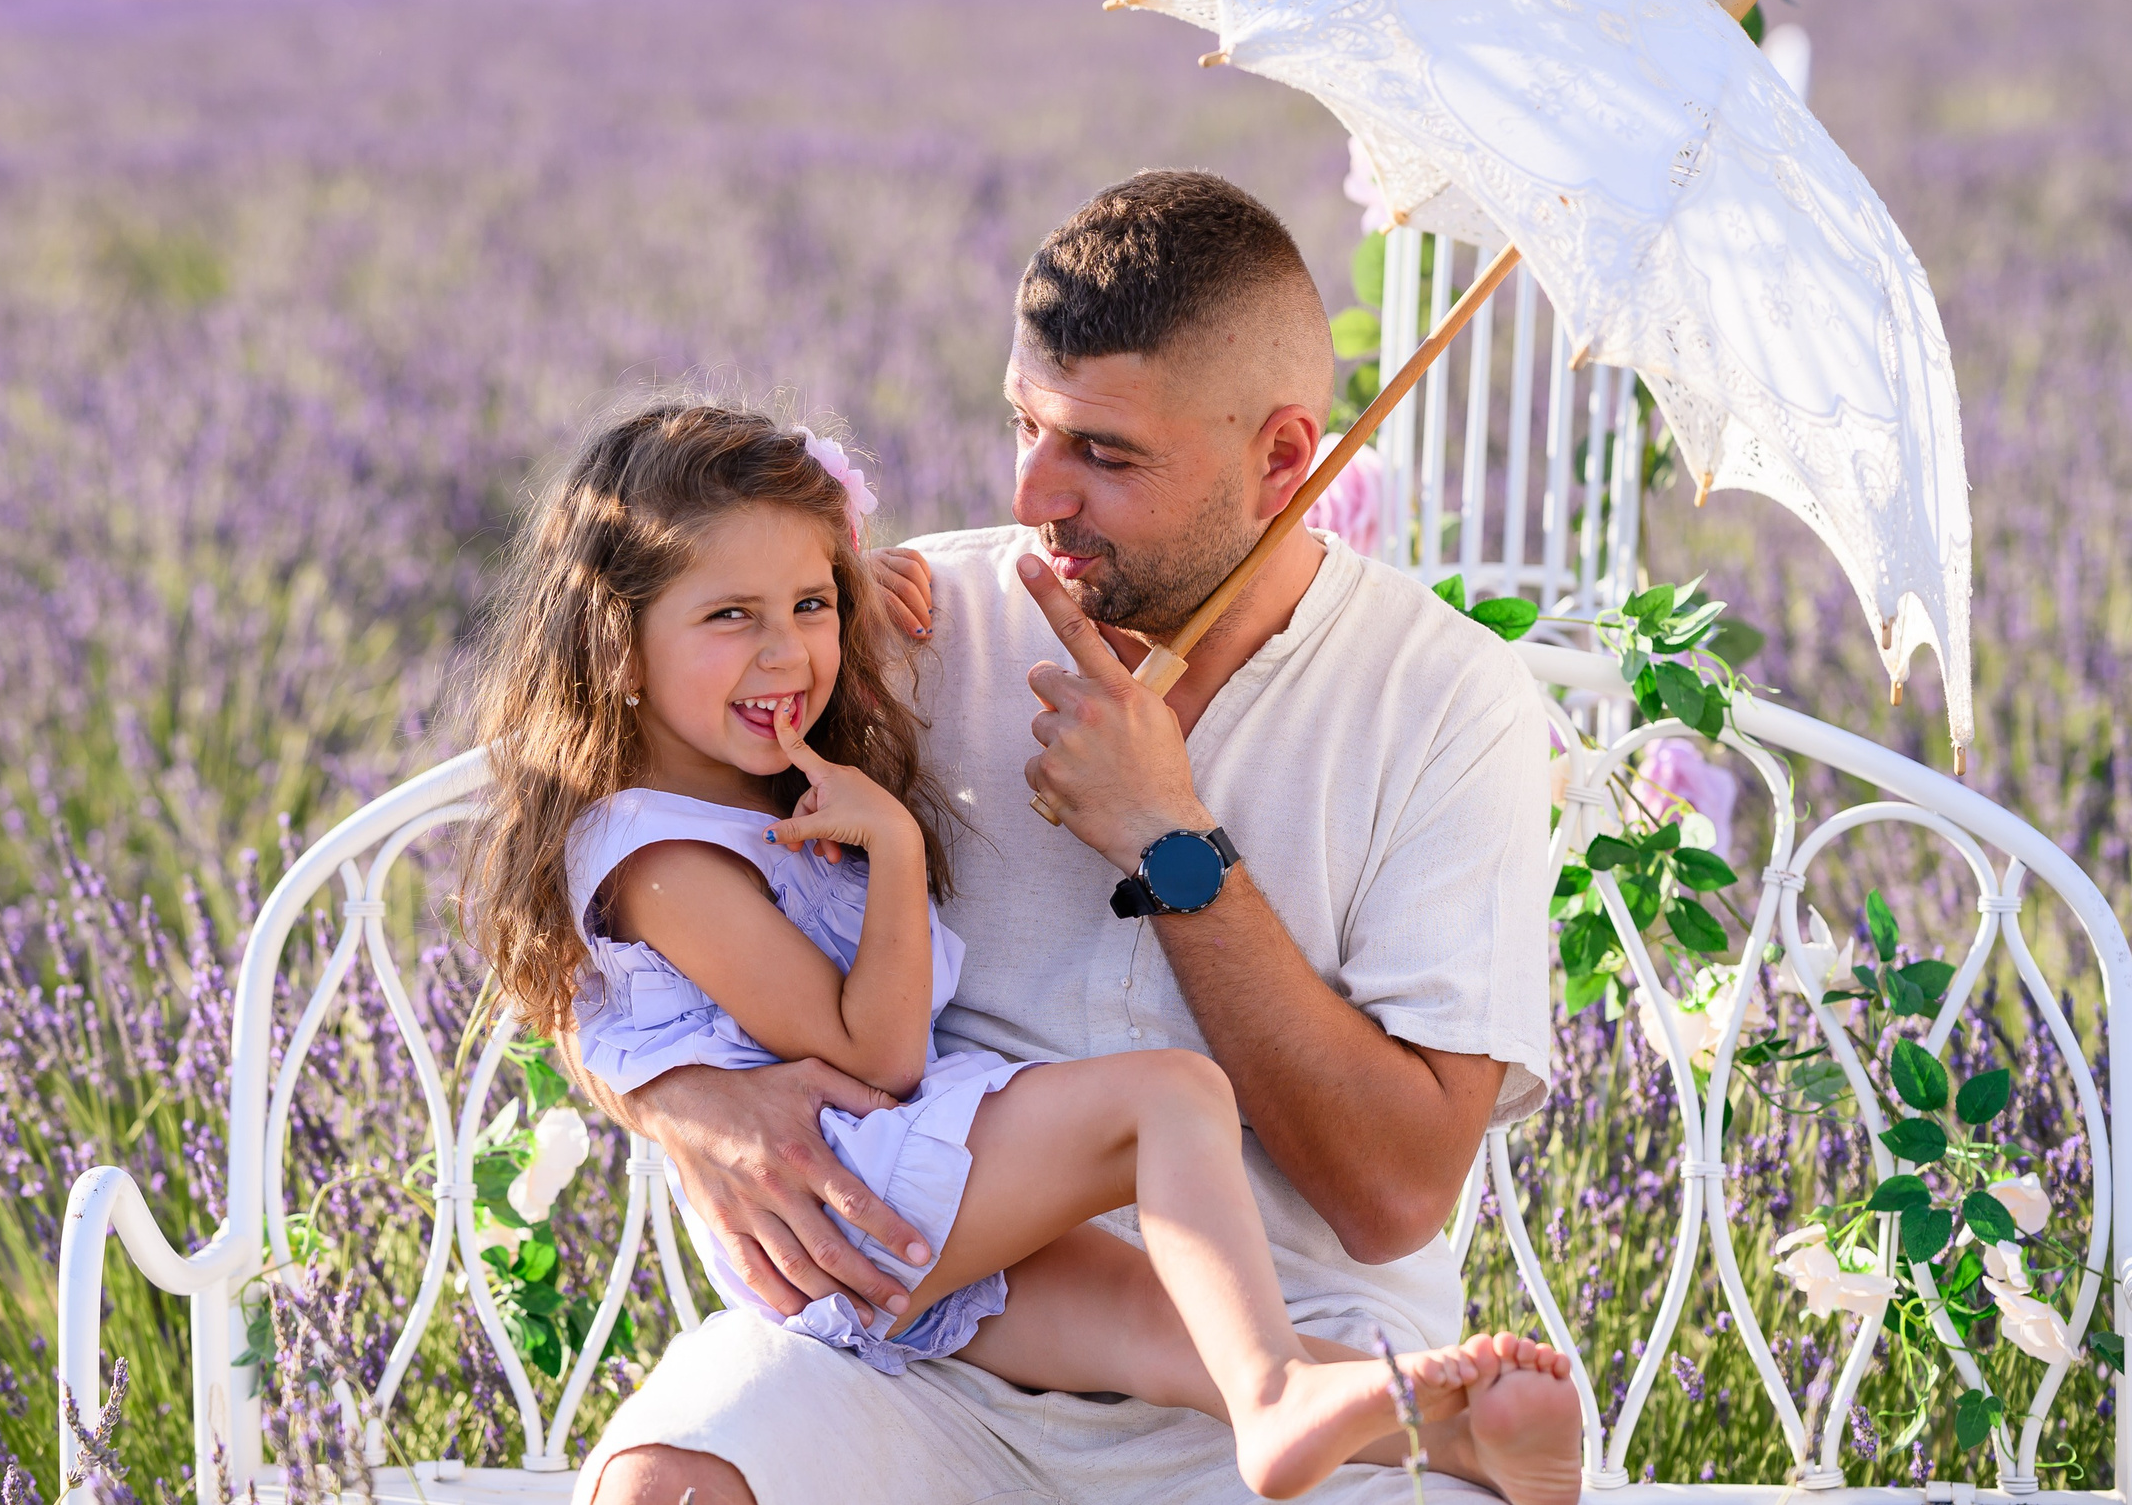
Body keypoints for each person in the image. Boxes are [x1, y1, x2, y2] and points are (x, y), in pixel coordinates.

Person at [572, 170, 1566, 1505]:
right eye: (1024, 423)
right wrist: (680, 1100)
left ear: (1285, 461)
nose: (1035, 491)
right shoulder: (905, 625)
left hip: (1302, 1367)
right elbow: (614, 872)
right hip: (923, 1348)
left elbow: (1395, 1196)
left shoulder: (1444, 699)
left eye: (1105, 453)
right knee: (669, 1487)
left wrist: (1172, 844)